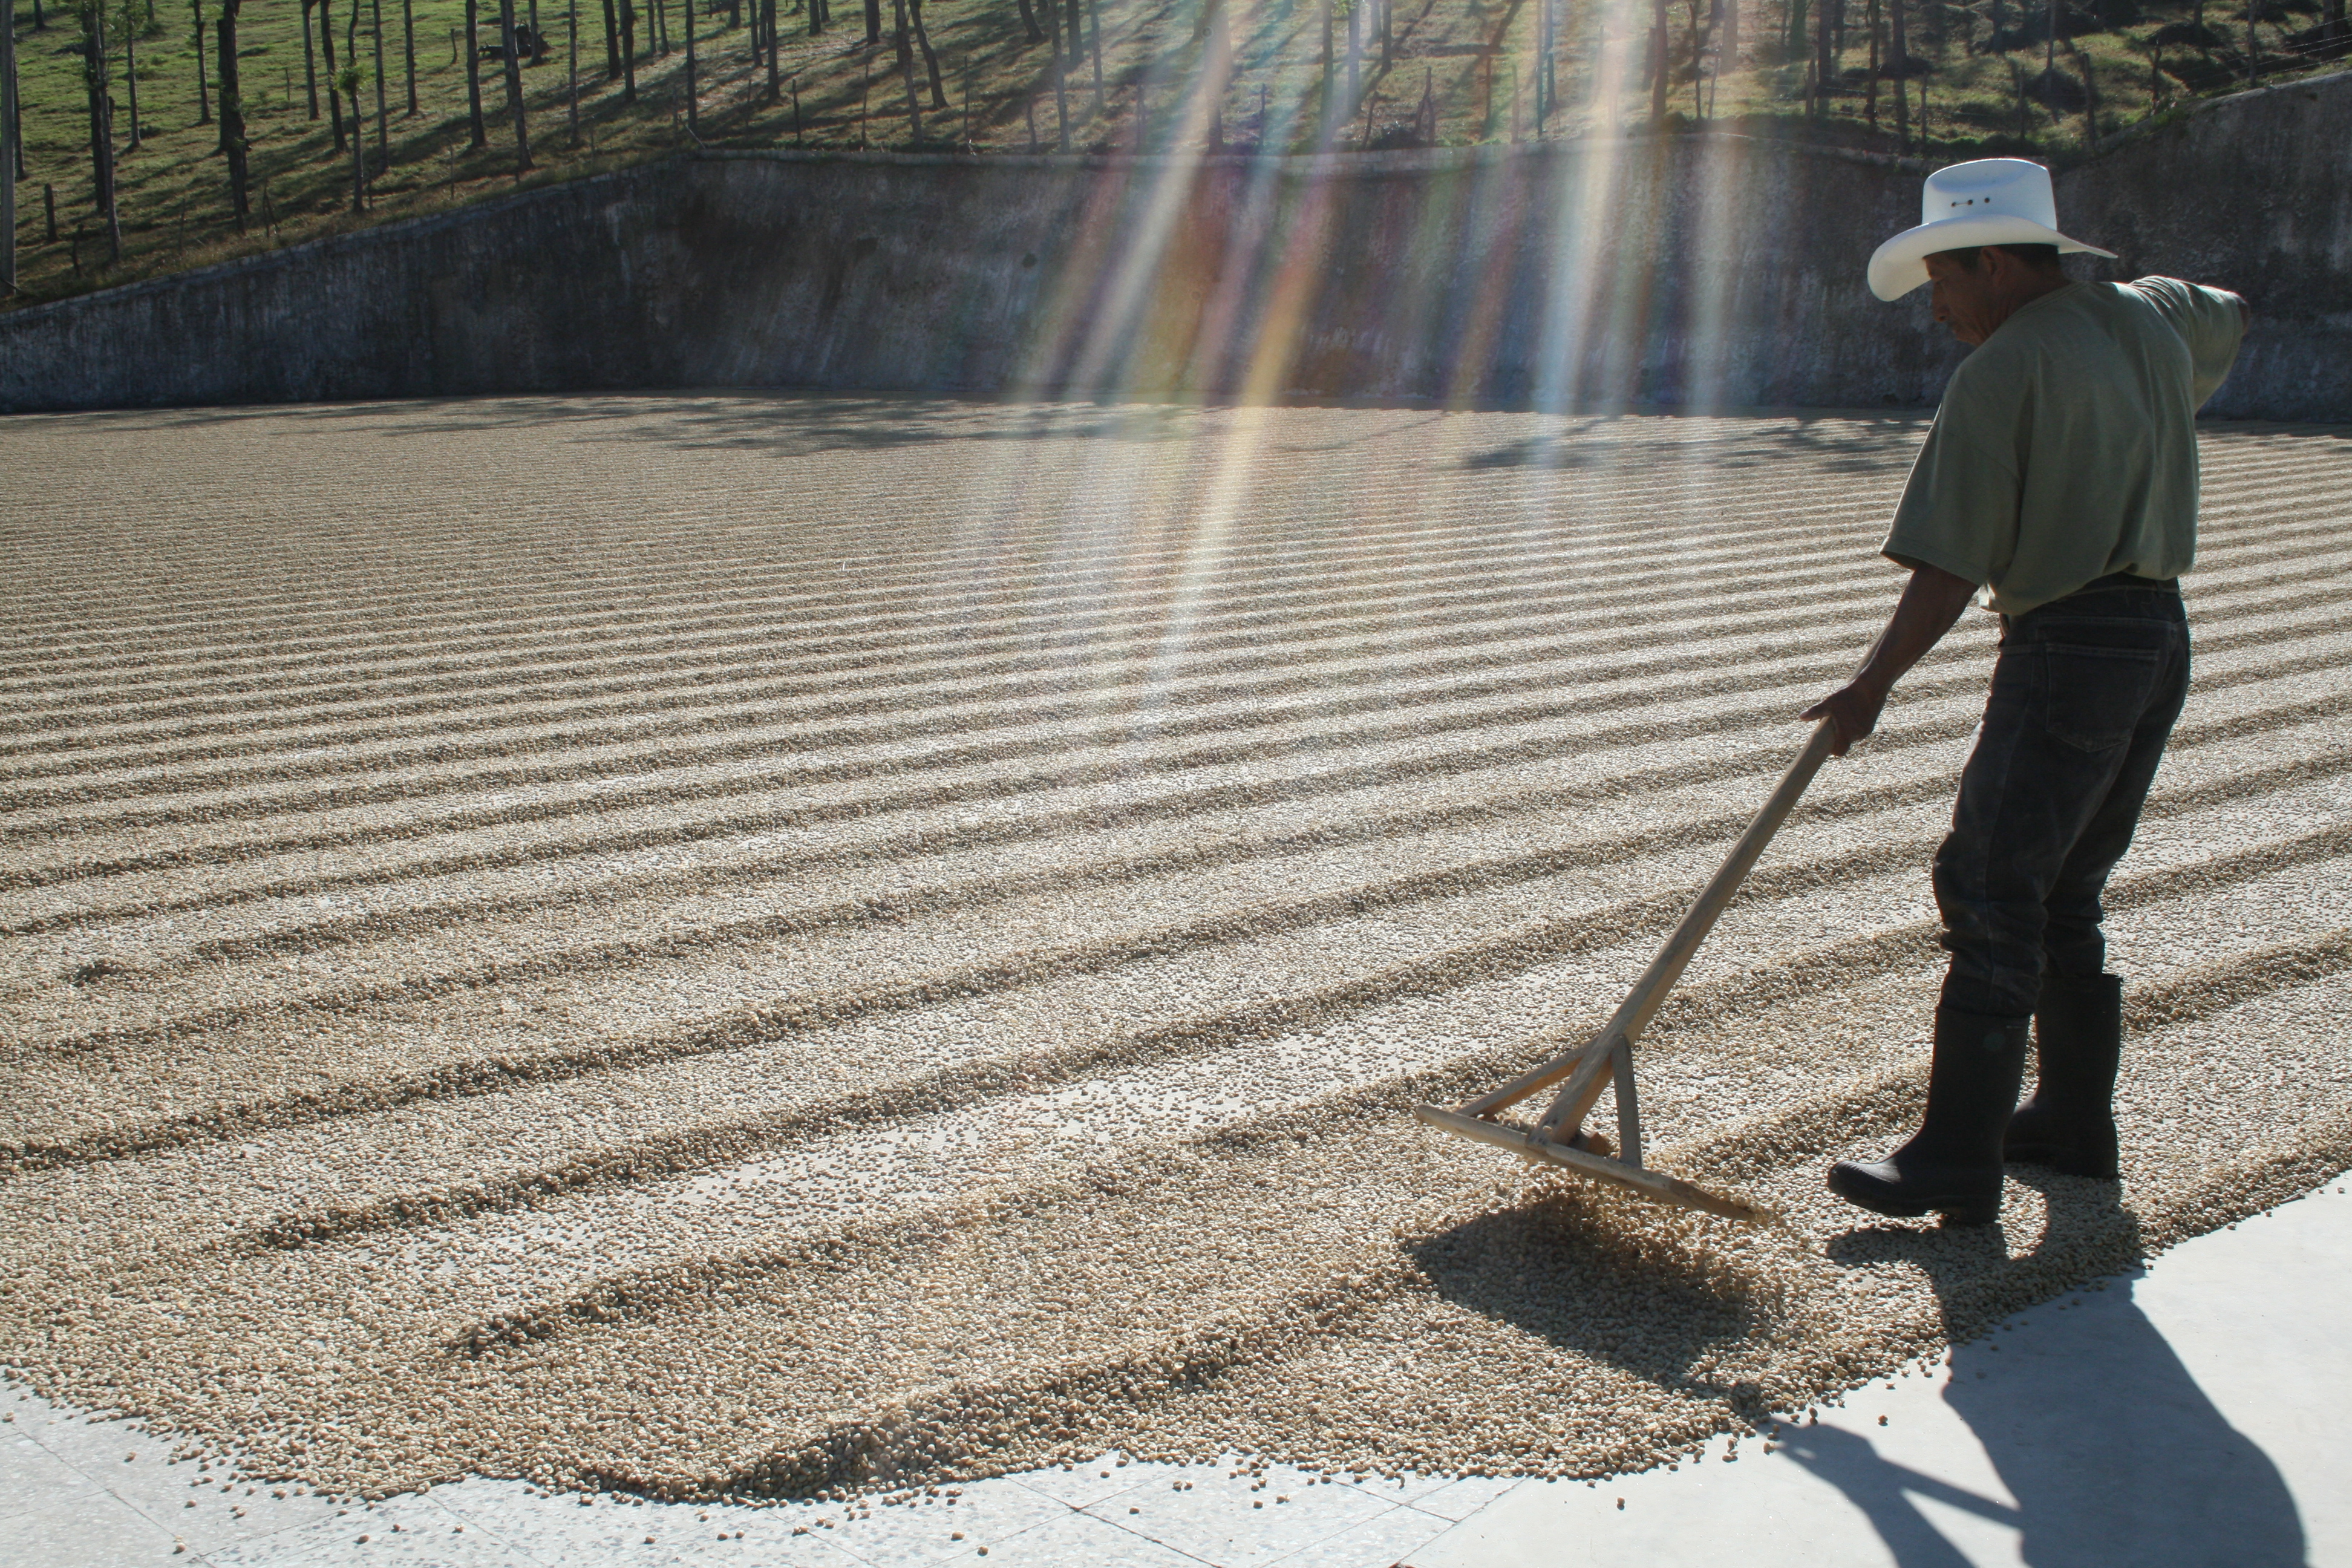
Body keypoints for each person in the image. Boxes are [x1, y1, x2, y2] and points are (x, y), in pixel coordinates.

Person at [1803, 158, 2250, 1226]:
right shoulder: (2150, 315)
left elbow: (1949, 564)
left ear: (1996, 263)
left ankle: (1957, 1159)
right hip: (2158, 638)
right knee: (2064, 892)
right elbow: (2232, 309)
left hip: (2070, 648)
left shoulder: (2003, 369)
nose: (1937, 312)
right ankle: (2073, 1127)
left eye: (1944, 283)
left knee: (1991, 883)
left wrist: (1871, 685)